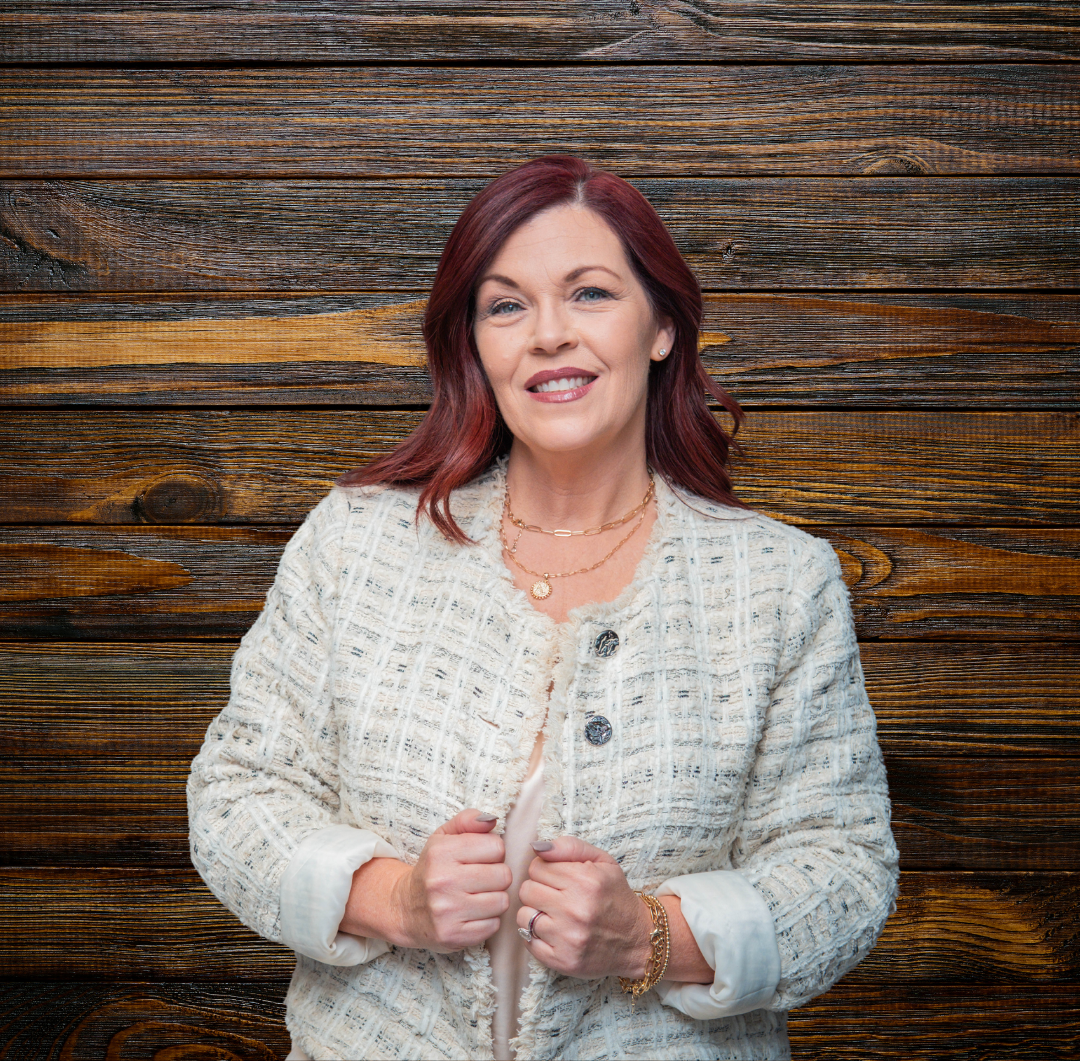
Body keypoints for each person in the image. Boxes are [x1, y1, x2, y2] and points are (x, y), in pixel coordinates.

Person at [187, 155, 898, 1061]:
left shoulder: (779, 583)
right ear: (475, 346)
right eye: (506, 305)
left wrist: (647, 938)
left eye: (590, 293)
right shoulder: (353, 544)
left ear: (663, 328)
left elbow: (844, 868)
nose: (549, 335)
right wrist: (393, 900)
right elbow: (236, 793)